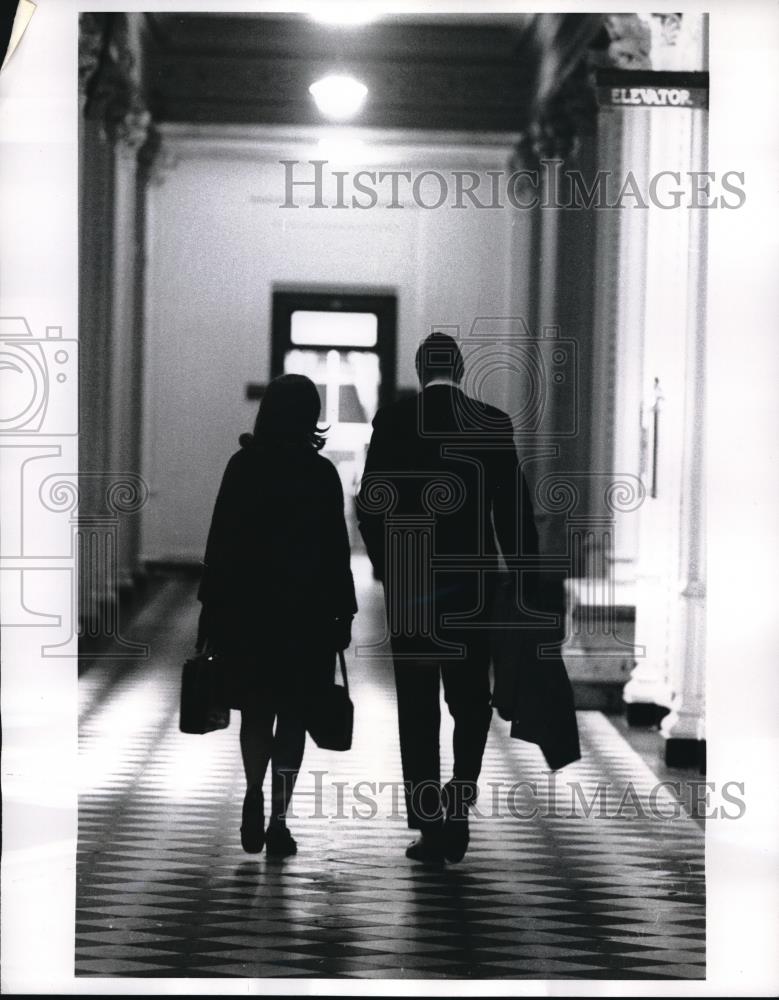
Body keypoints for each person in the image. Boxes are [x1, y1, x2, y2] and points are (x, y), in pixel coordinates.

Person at [356, 332, 539, 864]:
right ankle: (461, 797)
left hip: (413, 580)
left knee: (416, 703)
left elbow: (371, 504)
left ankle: (428, 820)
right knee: (469, 699)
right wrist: (524, 577)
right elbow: (511, 510)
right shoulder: (492, 421)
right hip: (472, 580)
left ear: (419, 370)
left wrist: (388, 566)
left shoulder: (393, 421)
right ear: (459, 370)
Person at [197, 374, 357, 857]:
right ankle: (280, 821)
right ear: (311, 417)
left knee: (257, 711)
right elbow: (336, 552)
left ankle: (251, 791)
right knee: (293, 716)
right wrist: (343, 614)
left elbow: (219, 542)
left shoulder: (243, 466)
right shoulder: (321, 473)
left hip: (250, 613)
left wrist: (211, 611)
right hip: (305, 617)